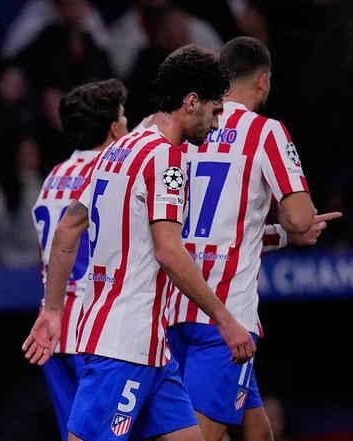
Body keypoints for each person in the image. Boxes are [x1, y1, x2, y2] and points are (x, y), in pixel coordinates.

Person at [24, 45, 254, 441]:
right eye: (215, 111)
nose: (216, 124)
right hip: (125, 344)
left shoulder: (117, 150)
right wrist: (225, 319)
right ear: (191, 102)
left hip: (151, 349)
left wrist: (53, 309)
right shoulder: (166, 159)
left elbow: (66, 231)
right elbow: (169, 251)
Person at [164, 36, 326, 441]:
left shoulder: (186, 127)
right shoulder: (264, 131)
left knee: (258, 431)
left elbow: (213, 225)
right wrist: (294, 225)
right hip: (226, 318)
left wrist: (279, 236)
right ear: (263, 80)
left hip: (174, 304)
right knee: (200, 437)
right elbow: (299, 218)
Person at [30, 78, 128, 440]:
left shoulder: (53, 176)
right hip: (96, 330)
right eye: (124, 117)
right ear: (114, 128)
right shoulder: (110, 173)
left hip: (53, 332)